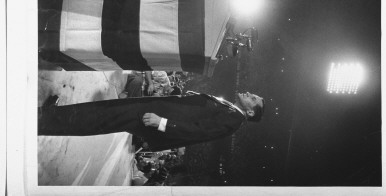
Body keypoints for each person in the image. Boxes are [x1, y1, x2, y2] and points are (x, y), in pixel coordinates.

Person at [38, 91, 265, 151]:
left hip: (152, 118)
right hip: (151, 110)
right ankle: (54, 117)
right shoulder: (231, 111)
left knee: (102, 118)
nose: (249, 93)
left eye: (253, 98)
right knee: (104, 111)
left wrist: (162, 122)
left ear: (251, 113)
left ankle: (46, 121)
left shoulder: (233, 120)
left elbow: (197, 132)